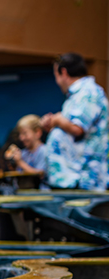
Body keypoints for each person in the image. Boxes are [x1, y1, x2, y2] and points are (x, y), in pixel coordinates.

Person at [43, 52, 109, 190]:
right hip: (75, 180)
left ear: (64, 72)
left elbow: (77, 128)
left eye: (56, 75)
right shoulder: (78, 95)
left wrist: (58, 120)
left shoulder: (88, 92)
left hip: (85, 179)